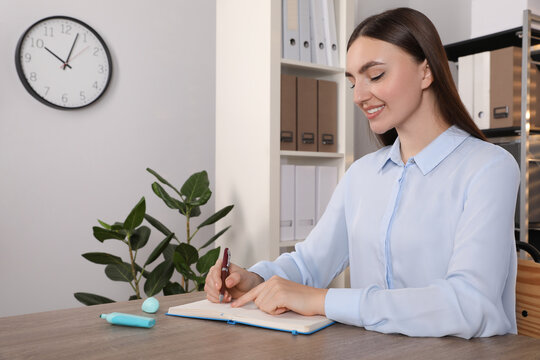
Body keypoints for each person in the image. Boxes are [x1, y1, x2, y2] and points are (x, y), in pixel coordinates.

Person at [205, 7, 520, 338]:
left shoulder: (488, 168)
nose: (358, 96)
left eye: (376, 75)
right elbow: (309, 264)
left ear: (426, 72)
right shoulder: (363, 174)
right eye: (353, 81)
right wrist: (255, 280)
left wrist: (322, 300)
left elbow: (468, 304)